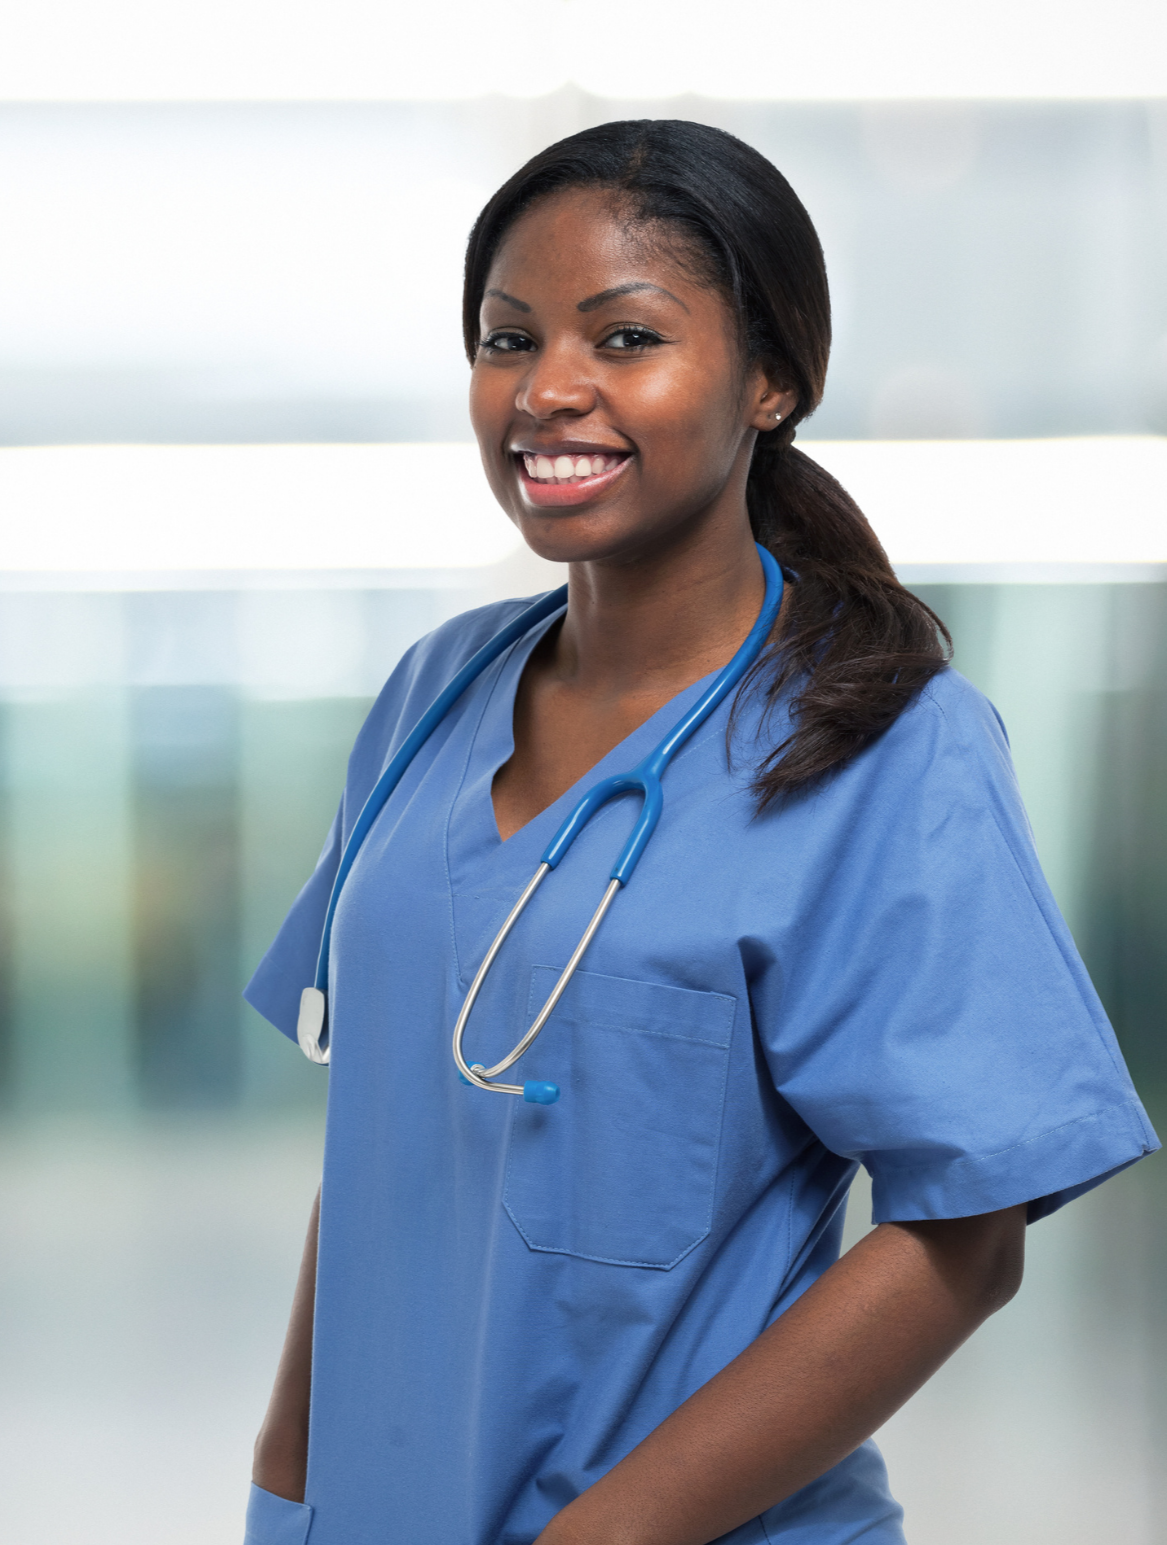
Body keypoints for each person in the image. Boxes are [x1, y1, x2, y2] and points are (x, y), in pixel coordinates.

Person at [241, 120, 1158, 1545]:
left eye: (624, 338)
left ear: (773, 379)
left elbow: (965, 1241)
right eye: (506, 340)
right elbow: (379, 1152)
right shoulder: (436, 694)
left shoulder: (883, 741)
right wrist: (282, 1493)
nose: (548, 391)